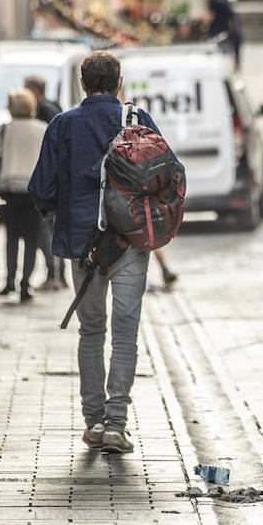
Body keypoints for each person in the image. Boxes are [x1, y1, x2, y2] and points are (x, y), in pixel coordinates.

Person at [29, 52, 163, 455]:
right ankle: (116, 424)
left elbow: (41, 189)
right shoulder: (137, 121)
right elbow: (165, 174)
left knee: (91, 330)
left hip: (82, 244)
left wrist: (63, 219)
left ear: (83, 84)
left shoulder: (63, 125)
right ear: (119, 81)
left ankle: (93, 419)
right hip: (130, 242)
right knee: (125, 332)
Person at [0, 89, 48, 303]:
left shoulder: (4, 130)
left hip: (10, 190)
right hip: (33, 192)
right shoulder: (42, 129)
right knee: (32, 239)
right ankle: (25, 284)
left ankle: (9, 280)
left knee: (11, 237)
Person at [24, 76, 66, 290]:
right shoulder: (54, 107)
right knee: (52, 228)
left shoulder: (44, 111)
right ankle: (59, 274)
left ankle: (54, 274)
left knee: (44, 230)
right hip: (57, 178)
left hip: (49, 179)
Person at [205, 0, 242, 70]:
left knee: (219, 49)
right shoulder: (223, 0)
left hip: (217, 30)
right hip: (227, 29)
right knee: (227, 48)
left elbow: (211, 16)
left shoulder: (213, 1)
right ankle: (231, 64)